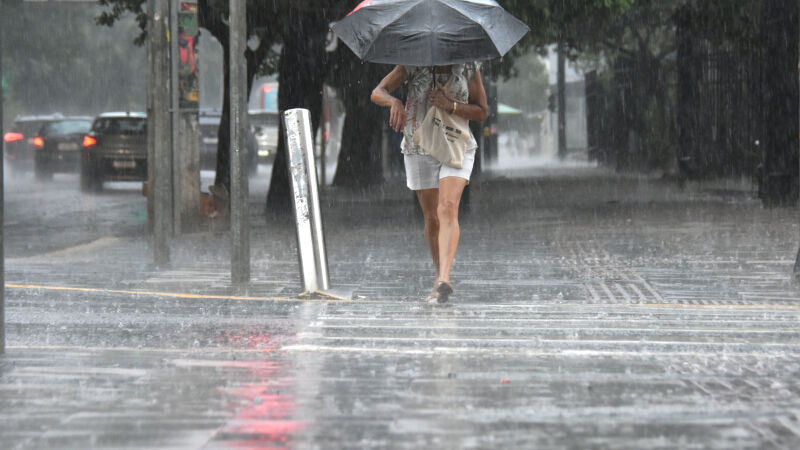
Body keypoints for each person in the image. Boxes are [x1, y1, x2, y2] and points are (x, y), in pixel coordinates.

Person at [371, 63, 489, 304]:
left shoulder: (468, 65)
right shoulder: (413, 64)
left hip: (456, 145)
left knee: (447, 207)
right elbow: (377, 92)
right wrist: (394, 102)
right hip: (419, 145)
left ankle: (444, 277)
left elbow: (481, 111)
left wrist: (451, 105)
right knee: (432, 217)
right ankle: (438, 276)